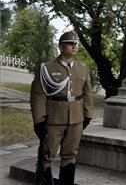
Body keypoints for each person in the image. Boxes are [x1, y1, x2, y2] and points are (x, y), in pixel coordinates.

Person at [30, 31, 93, 185]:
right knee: (47, 154)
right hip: (54, 118)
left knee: (70, 154)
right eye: (70, 43)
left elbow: (87, 93)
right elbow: (38, 95)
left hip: (76, 119)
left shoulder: (82, 67)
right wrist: (39, 120)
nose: (74, 46)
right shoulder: (47, 68)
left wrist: (88, 114)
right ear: (61, 47)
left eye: (75, 43)